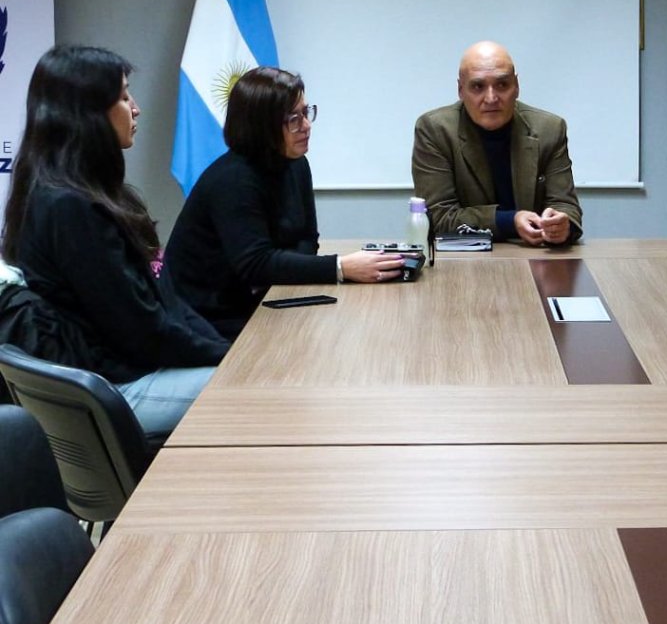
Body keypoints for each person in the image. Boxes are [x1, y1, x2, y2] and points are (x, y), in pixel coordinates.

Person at [1, 45, 228, 440]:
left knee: (249, 370)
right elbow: (142, 332)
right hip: (112, 390)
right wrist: (232, 358)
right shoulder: (69, 207)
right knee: (255, 387)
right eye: (123, 97)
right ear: (86, 113)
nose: (135, 108)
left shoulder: (92, 193)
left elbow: (166, 304)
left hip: (129, 371)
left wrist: (225, 348)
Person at [165, 67, 408, 337]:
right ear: (262, 126)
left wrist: (296, 268)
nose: (306, 126)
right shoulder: (233, 179)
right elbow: (256, 263)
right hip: (208, 319)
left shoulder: (296, 163)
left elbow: (308, 238)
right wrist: (340, 267)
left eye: (306, 112)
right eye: (294, 119)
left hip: (263, 298)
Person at [411, 41, 583, 245]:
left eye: (502, 85)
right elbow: (438, 218)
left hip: (536, 254)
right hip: (463, 259)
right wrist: (510, 221)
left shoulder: (549, 129)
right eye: (478, 86)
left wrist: (562, 226)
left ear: (516, 86)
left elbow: (567, 208)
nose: (491, 98)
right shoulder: (435, 130)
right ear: (460, 90)